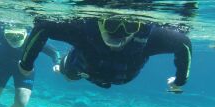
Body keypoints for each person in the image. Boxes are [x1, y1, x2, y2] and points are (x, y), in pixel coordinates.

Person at [19, 16, 192, 93]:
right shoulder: (81, 29)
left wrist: (180, 80)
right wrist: (26, 63)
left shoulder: (151, 37)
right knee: (68, 75)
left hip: (118, 77)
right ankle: (60, 66)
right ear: (98, 20)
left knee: (71, 74)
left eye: (131, 26)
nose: (121, 32)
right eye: (112, 23)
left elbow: (183, 43)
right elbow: (43, 25)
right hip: (78, 66)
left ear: (140, 26)